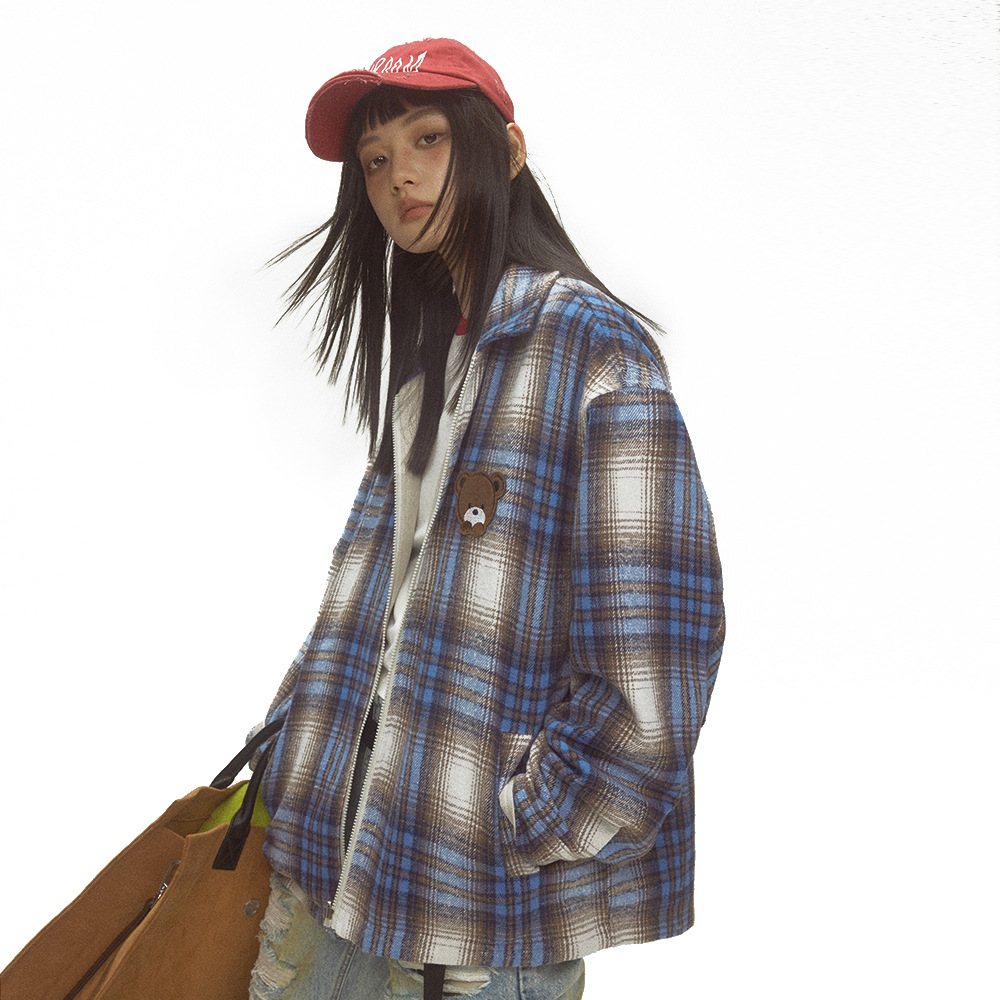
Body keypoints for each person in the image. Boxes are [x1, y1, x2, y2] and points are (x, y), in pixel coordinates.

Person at [248, 37, 725, 1000]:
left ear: (506, 151)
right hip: (330, 874)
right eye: (374, 159)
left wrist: (526, 821)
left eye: (427, 139)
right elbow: (385, 609)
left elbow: (660, 655)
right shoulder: (433, 362)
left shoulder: (592, 348)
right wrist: (290, 753)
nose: (398, 176)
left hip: (471, 924)